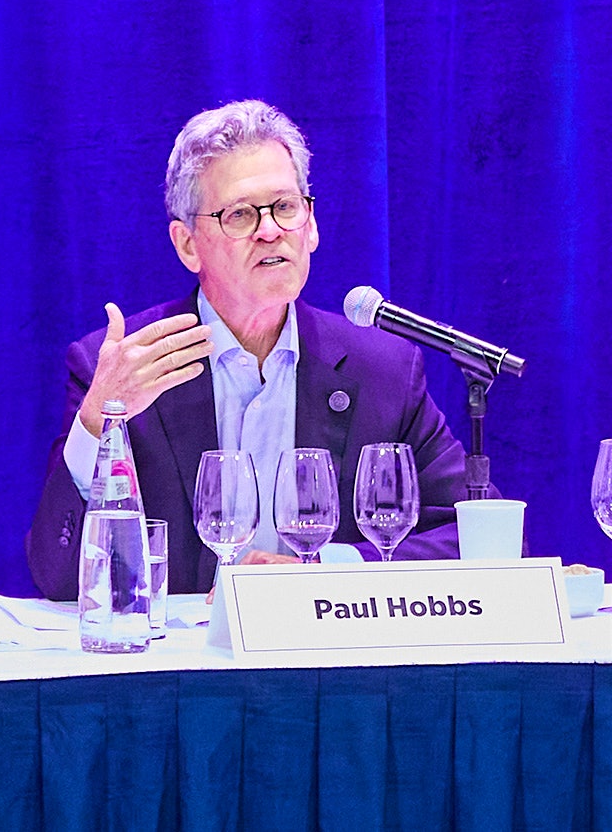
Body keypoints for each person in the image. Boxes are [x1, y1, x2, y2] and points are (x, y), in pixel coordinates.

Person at [27, 100, 481, 599]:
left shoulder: (383, 371)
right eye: (241, 214)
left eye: (286, 207)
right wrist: (97, 421)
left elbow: (478, 538)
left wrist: (329, 571)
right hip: (185, 665)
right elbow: (57, 576)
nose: (270, 230)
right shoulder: (119, 367)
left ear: (311, 227)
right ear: (187, 245)